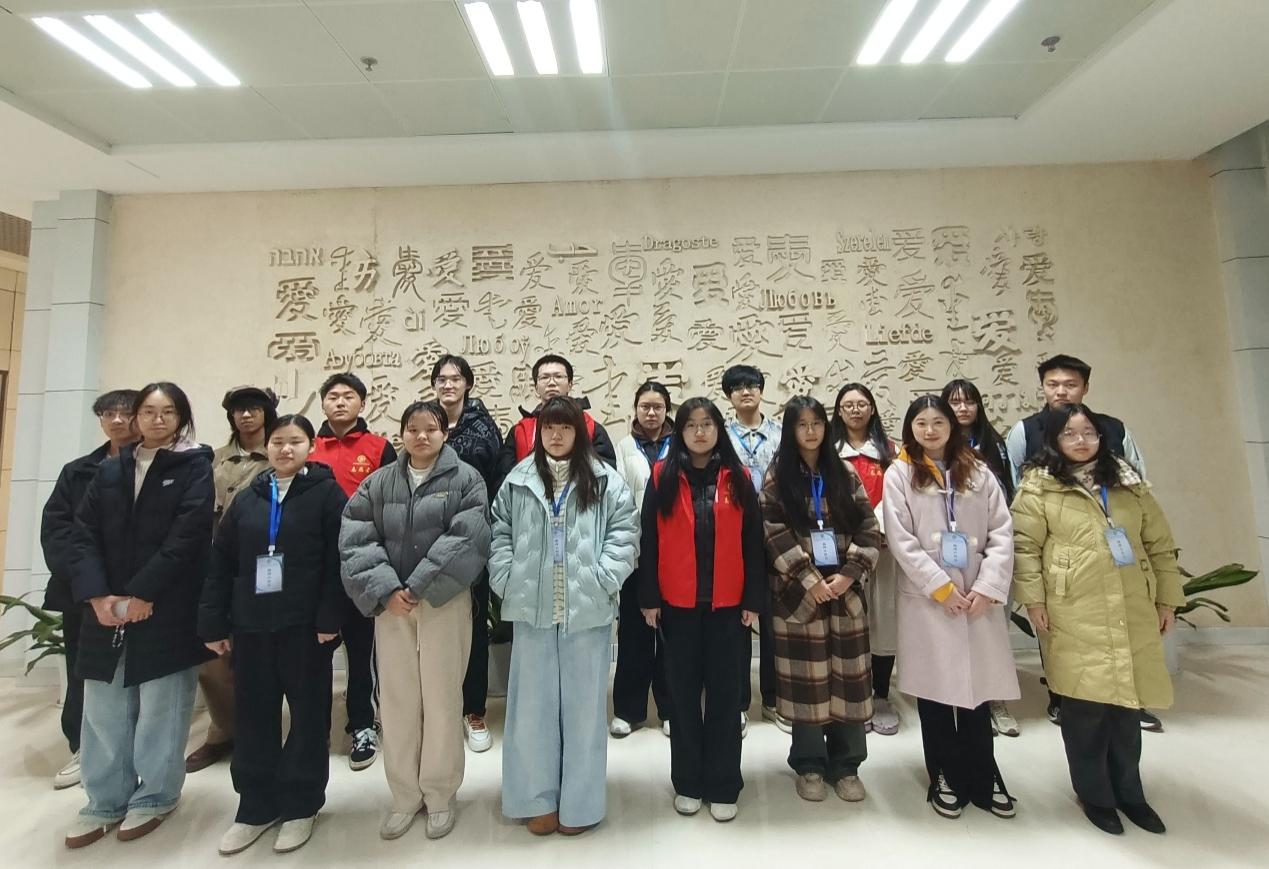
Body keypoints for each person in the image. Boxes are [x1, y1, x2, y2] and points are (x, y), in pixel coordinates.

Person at [1011, 404, 1182, 836]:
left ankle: (1130, 793)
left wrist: (1167, 599)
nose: (1081, 441)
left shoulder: (1128, 483)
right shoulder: (1039, 486)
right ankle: (1096, 795)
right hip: (1073, 606)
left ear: (1102, 438)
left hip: (1130, 603)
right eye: (1070, 434)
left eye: (1089, 432)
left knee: (1126, 704)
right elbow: (1024, 548)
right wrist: (1033, 600)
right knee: (1085, 705)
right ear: (1055, 440)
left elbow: (1160, 545)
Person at [65, 383, 215, 848]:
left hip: (165, 605)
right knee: (103, 707)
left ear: (181, 418)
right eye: (148, 411)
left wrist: (144, 592)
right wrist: (98, 596)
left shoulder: (193, 466)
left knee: (161, 709)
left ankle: (155, 795)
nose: (157, 419)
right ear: (136, 418)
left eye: (167, 412)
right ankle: (105, 799)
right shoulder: (110, 469)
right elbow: (82, 534)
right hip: (106, 609)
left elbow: (188, 536)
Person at [341, 400, 491, 842]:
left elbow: (469, 536)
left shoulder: (467, 479)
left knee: (442, 699)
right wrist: (387, 589)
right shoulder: (378, 482)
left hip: (444, 601)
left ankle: (440, 795)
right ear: (402, 433)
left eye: (431, 428)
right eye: (413, 428)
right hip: (392, 607)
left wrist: (420, 583)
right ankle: (405, 796)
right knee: (398, 701)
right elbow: (356, 538)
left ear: (445, 433)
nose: (421, 436)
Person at [490, 396, 638, 836]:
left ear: (580, 432)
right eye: (549, 428)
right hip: (531, 608)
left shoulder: (605, 480)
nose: (556, 436)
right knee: (531, 711)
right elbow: (499, 532)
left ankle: (580, 804)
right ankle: (537, 800)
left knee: (584, 712)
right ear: (539, 433)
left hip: (587, 610)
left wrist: (604, 577)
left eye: (565, 428)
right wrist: (506, 578)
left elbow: (626, 533)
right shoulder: (518, 479)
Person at [199, 414, 347, 855]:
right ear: (268, 447)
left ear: (310, 446)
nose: (285, 449)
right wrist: (214, 622)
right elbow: (221, 563)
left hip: (305, 629)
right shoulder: (249, 497)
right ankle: (255, 806)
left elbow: (338, 561)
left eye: (295, 441)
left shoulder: (327, 494)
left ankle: (302, 804)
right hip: (251, 627)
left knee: (308, 717)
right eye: (278, 441)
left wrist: (330, 618)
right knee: (254, 716)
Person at [1002, 355, 1158, 730]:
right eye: (1053, 384)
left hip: (1113, 547)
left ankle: (1128, 702)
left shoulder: (1112, 429)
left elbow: (1138, 480)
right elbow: (1013, 486)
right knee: (1061, 630)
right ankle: (1062, 699)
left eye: (1070, 384)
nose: (1061, 391)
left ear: (1085, 388)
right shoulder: (1025, 431)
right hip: (1060, 548)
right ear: (1042, 388)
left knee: (1120, 623)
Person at [883, 395, 1018, 821]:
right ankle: (942, 772)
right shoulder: (900, 473)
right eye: (921, 423)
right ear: (910, 428)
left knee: (978, 692)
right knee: (936, 693)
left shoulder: (977, 470)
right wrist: (939, 586)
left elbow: (1002, 531)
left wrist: (988, 586)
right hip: (929, 600)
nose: (930, 430)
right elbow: (901, 539)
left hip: (977, 597)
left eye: (938, 422)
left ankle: (985, 773)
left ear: (951, 426)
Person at [638, 397, 764, 822]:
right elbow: (649, 539)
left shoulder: (738, 477)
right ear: (680, 431)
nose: (699, 432)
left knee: (727, 699)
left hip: (729, 608)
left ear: (718, 429)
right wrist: (649, 598)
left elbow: (753, 542)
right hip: (678, 608)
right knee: (683, 699)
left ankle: (724, 783)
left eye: (707, 424)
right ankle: (688, 782)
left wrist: (753, 600)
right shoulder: (663, 475)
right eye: (691, 425)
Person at [763, 396, 879, 804]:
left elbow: (869, 527)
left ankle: (847, 765)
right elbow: (772, 530)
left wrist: (849, 574)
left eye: (817, 423)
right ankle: (809, 763)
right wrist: (809, 578)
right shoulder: (778, 476)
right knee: (806, 684)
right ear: (790, 430)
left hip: (846, 593)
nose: (810, 431)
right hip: (799, 596)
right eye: (802, 424)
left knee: (849, 680)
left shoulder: (844, 472)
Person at [40, 389, 139, 790]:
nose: (116, 420)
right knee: (84, 671)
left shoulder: (164, 467)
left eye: (125, 413)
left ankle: (135, 753)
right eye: (107, 414)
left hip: (142, 592)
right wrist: (92, 587)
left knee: (141, 675)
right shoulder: (78, 471)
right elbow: (57, 532)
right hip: (85, 592)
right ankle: (84, 748)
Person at [186, 385, 279, 775]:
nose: (246, 415)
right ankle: (224, 729)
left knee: (261, 654)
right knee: (213, 655)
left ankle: (260, 733)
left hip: (263, 565)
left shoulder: (279, 455)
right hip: (216, 562)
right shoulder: (212, 459)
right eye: (239, 409)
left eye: (255, 408)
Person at [309, 372, 397, 770]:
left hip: (363, 567)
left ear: (362, 403)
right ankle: (315, 730)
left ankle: (363, 724)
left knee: (363, 655)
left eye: (349, 396)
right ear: (323, 403)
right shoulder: (308, 448)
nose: (340, 402)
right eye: (333, 396)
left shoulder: (379, 448)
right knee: (315, 657)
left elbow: (392, 506)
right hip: (316, 570)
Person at [430, 354, 503, 754]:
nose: (448, 385)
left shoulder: (484, 429)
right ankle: (438, 710)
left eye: (455, 378)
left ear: (468, 384)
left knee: (471, 627)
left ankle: (473, 710)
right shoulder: (423, 424)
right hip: (427, 542)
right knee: (433, 626)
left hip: (472, 541)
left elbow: (493, 485)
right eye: (441, 379)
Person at [941, 378, 1020, 739]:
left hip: (989, 547)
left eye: (969, 401)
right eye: (955, 402)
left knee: (990, 629)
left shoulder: (994, 445)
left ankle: (994, 702)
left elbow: (1010, 494)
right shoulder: (934, 446)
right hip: (947, 552)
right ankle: (956, 697)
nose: (962, 409)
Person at [828, 382, 901, 737]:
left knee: (884, 620)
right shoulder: (828, 451)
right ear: (838, 412)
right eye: (848, 405)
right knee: (846, 621)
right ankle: (850, 693)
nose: (855, 410)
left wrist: (878, 529)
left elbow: (900, 497)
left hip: (885, 548)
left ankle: (881, 695)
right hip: (841, 551)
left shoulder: (893, 451)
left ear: (872, 409)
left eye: (862, 404)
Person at [720, 364, 787, 736]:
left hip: (778, 535)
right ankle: (738, 702)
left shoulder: (781, 433)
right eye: (737, 387)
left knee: (776, 622)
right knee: (737, 624)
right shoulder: (720, 436)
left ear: (762, 390)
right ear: (729, 396)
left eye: (752, 385)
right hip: (734, 537)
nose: (746, 392)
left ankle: (774, 699)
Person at [611, 380, 675, 738]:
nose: (651, 413)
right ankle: (628, 710)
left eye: (658, 407)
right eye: (645, 406)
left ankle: (670, 708)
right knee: (634, 634)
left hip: (674, 553)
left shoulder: (680, 445)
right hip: (635, 553)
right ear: (635, 409)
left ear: (667, 410)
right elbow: (617, 496)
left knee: (671, 636)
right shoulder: (623, 446)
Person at [496, 353, 616, 483]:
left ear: (570, 384)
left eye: (558, 377)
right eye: (544, 377)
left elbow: (606, 478)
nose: (552, 383)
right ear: (536, 387)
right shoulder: (520, 431)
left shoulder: (590, 427)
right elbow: (505, 480)